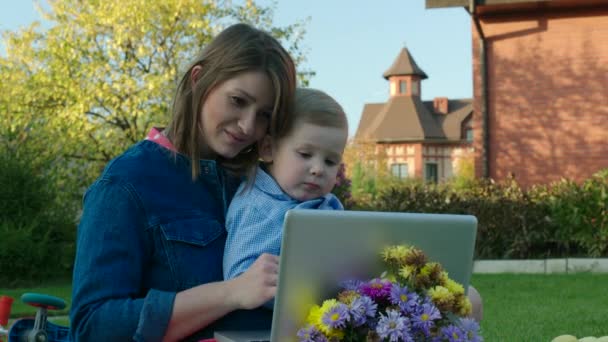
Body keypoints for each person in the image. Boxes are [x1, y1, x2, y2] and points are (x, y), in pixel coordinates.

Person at [69, 23, 296, 342]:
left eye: (264, 116)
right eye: (237, 100)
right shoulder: (125, 184)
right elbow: (93, 326)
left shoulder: (262, 187)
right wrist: (231, 293)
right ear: (199, 79)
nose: (247, 126)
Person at [223, 87, 349, 284]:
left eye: (330, 162)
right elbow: (241, 279)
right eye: (305, 154)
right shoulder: (258, 208)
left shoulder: (325, 202)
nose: (318, 169)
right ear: (268, 149)